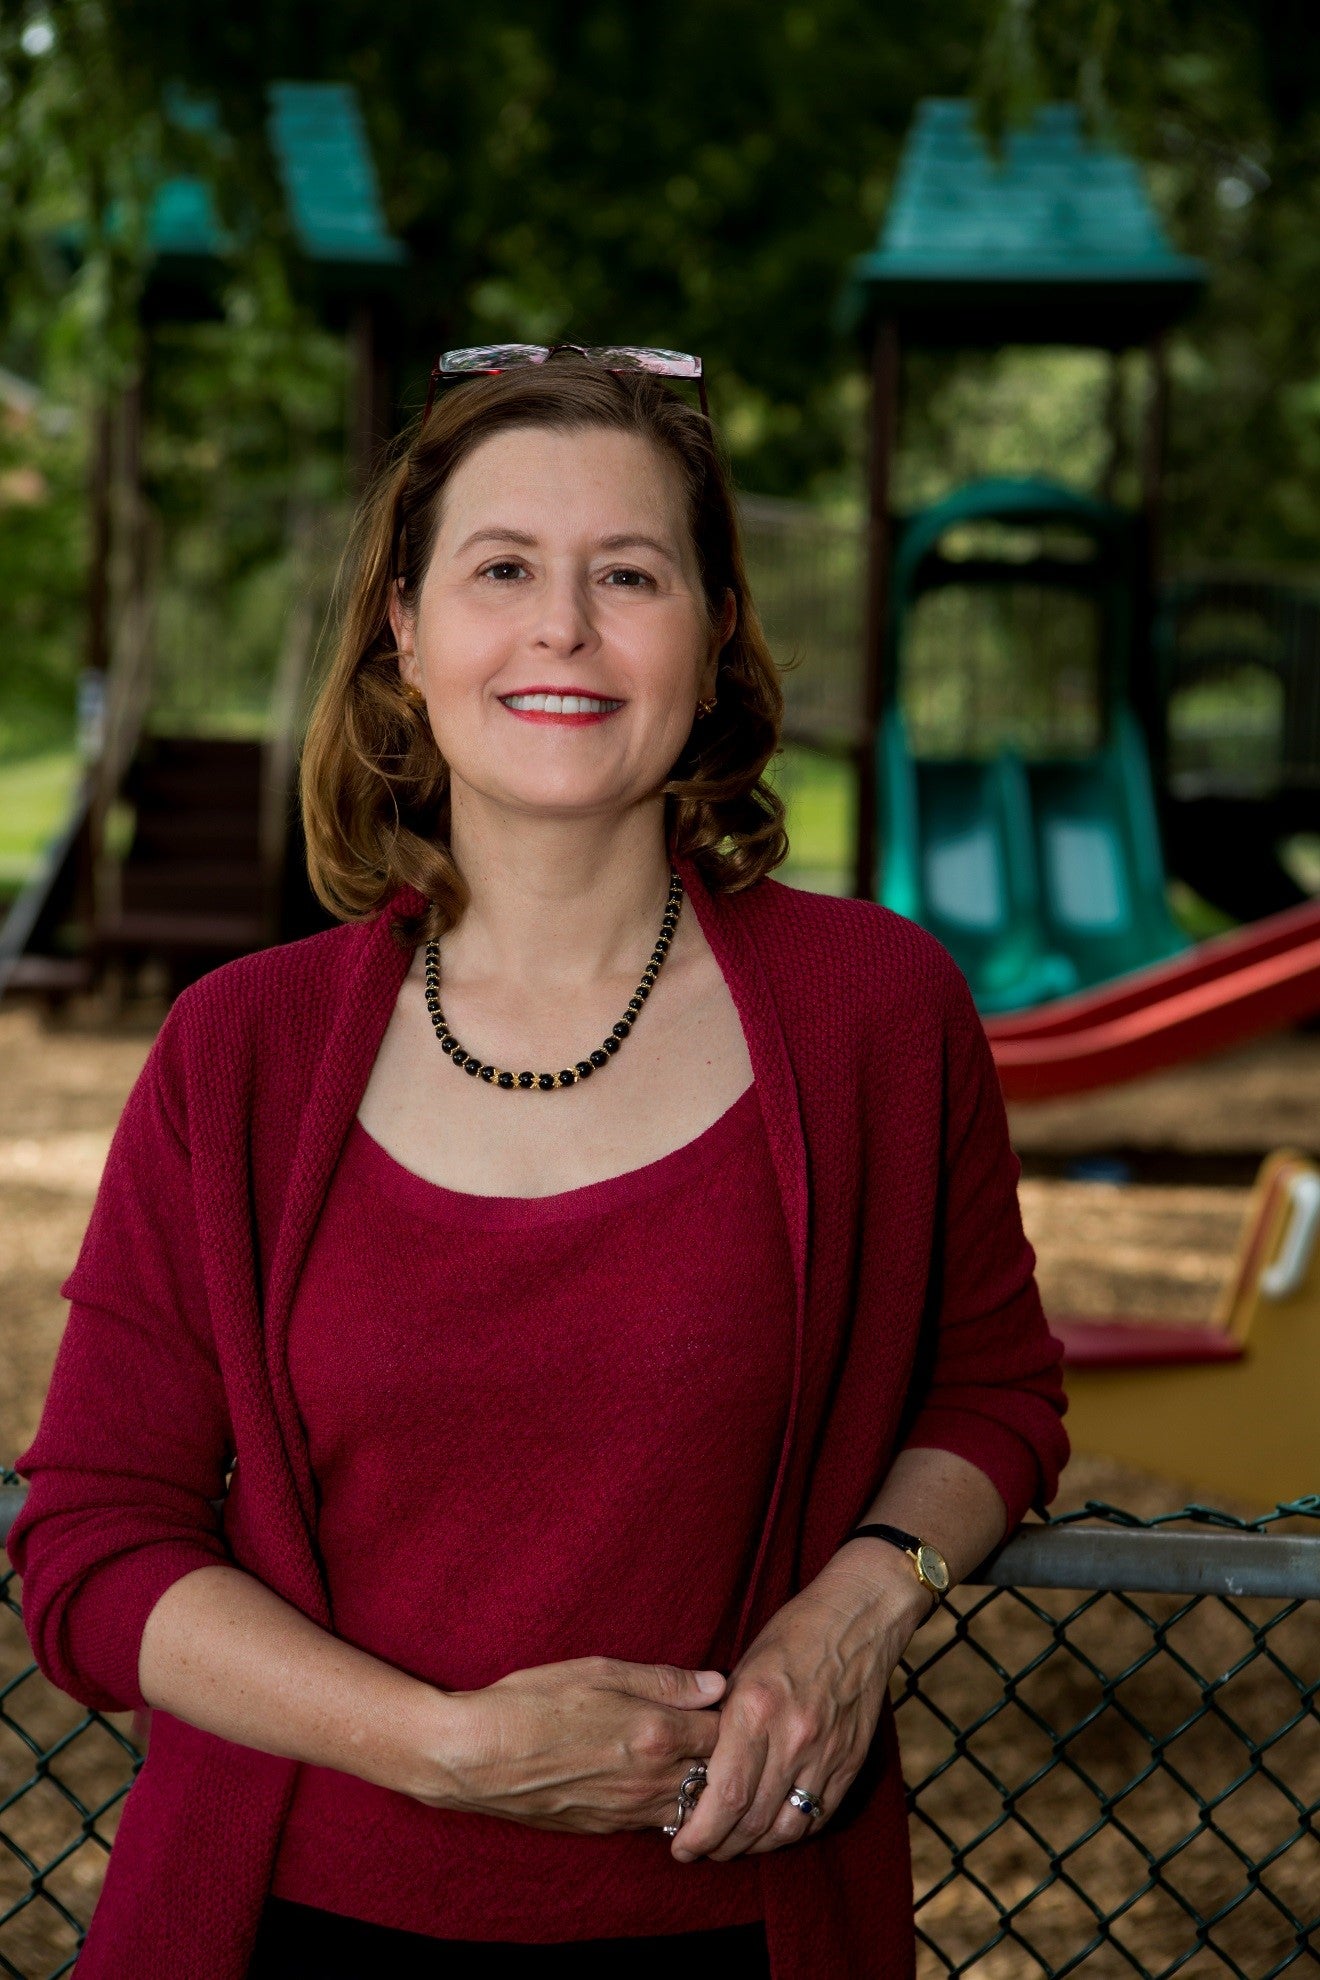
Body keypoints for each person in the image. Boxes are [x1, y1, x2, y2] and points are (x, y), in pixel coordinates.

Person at [7, 345, 1069, 1980]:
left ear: (714, 637)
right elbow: (92, 1545)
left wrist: (864, 1602)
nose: (563, 627)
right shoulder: (240, 1053)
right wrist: (440, 1749)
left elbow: (992, 1392)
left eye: (629, 574)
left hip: (743, 1922)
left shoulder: (876, 1014)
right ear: (405, 629)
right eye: (501, 568)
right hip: (285, 1922)